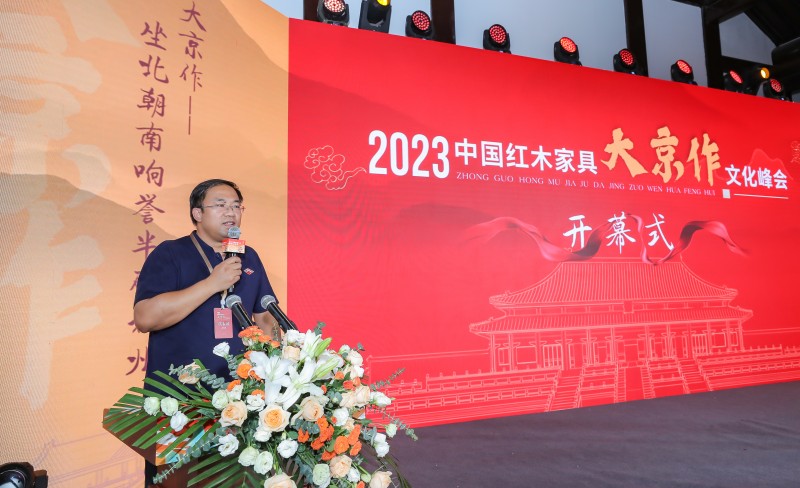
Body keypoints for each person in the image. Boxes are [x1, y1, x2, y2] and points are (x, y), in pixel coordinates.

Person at [134, 178, 279, 486]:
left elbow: (266, 318)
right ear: (197, 213)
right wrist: (212, 284)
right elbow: (145, 317)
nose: (231, 212)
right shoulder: (171, 253)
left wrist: (279, 367)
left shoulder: (248, 256)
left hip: (241, 404)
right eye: (220, 205)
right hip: (179, 402)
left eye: (236, 206)